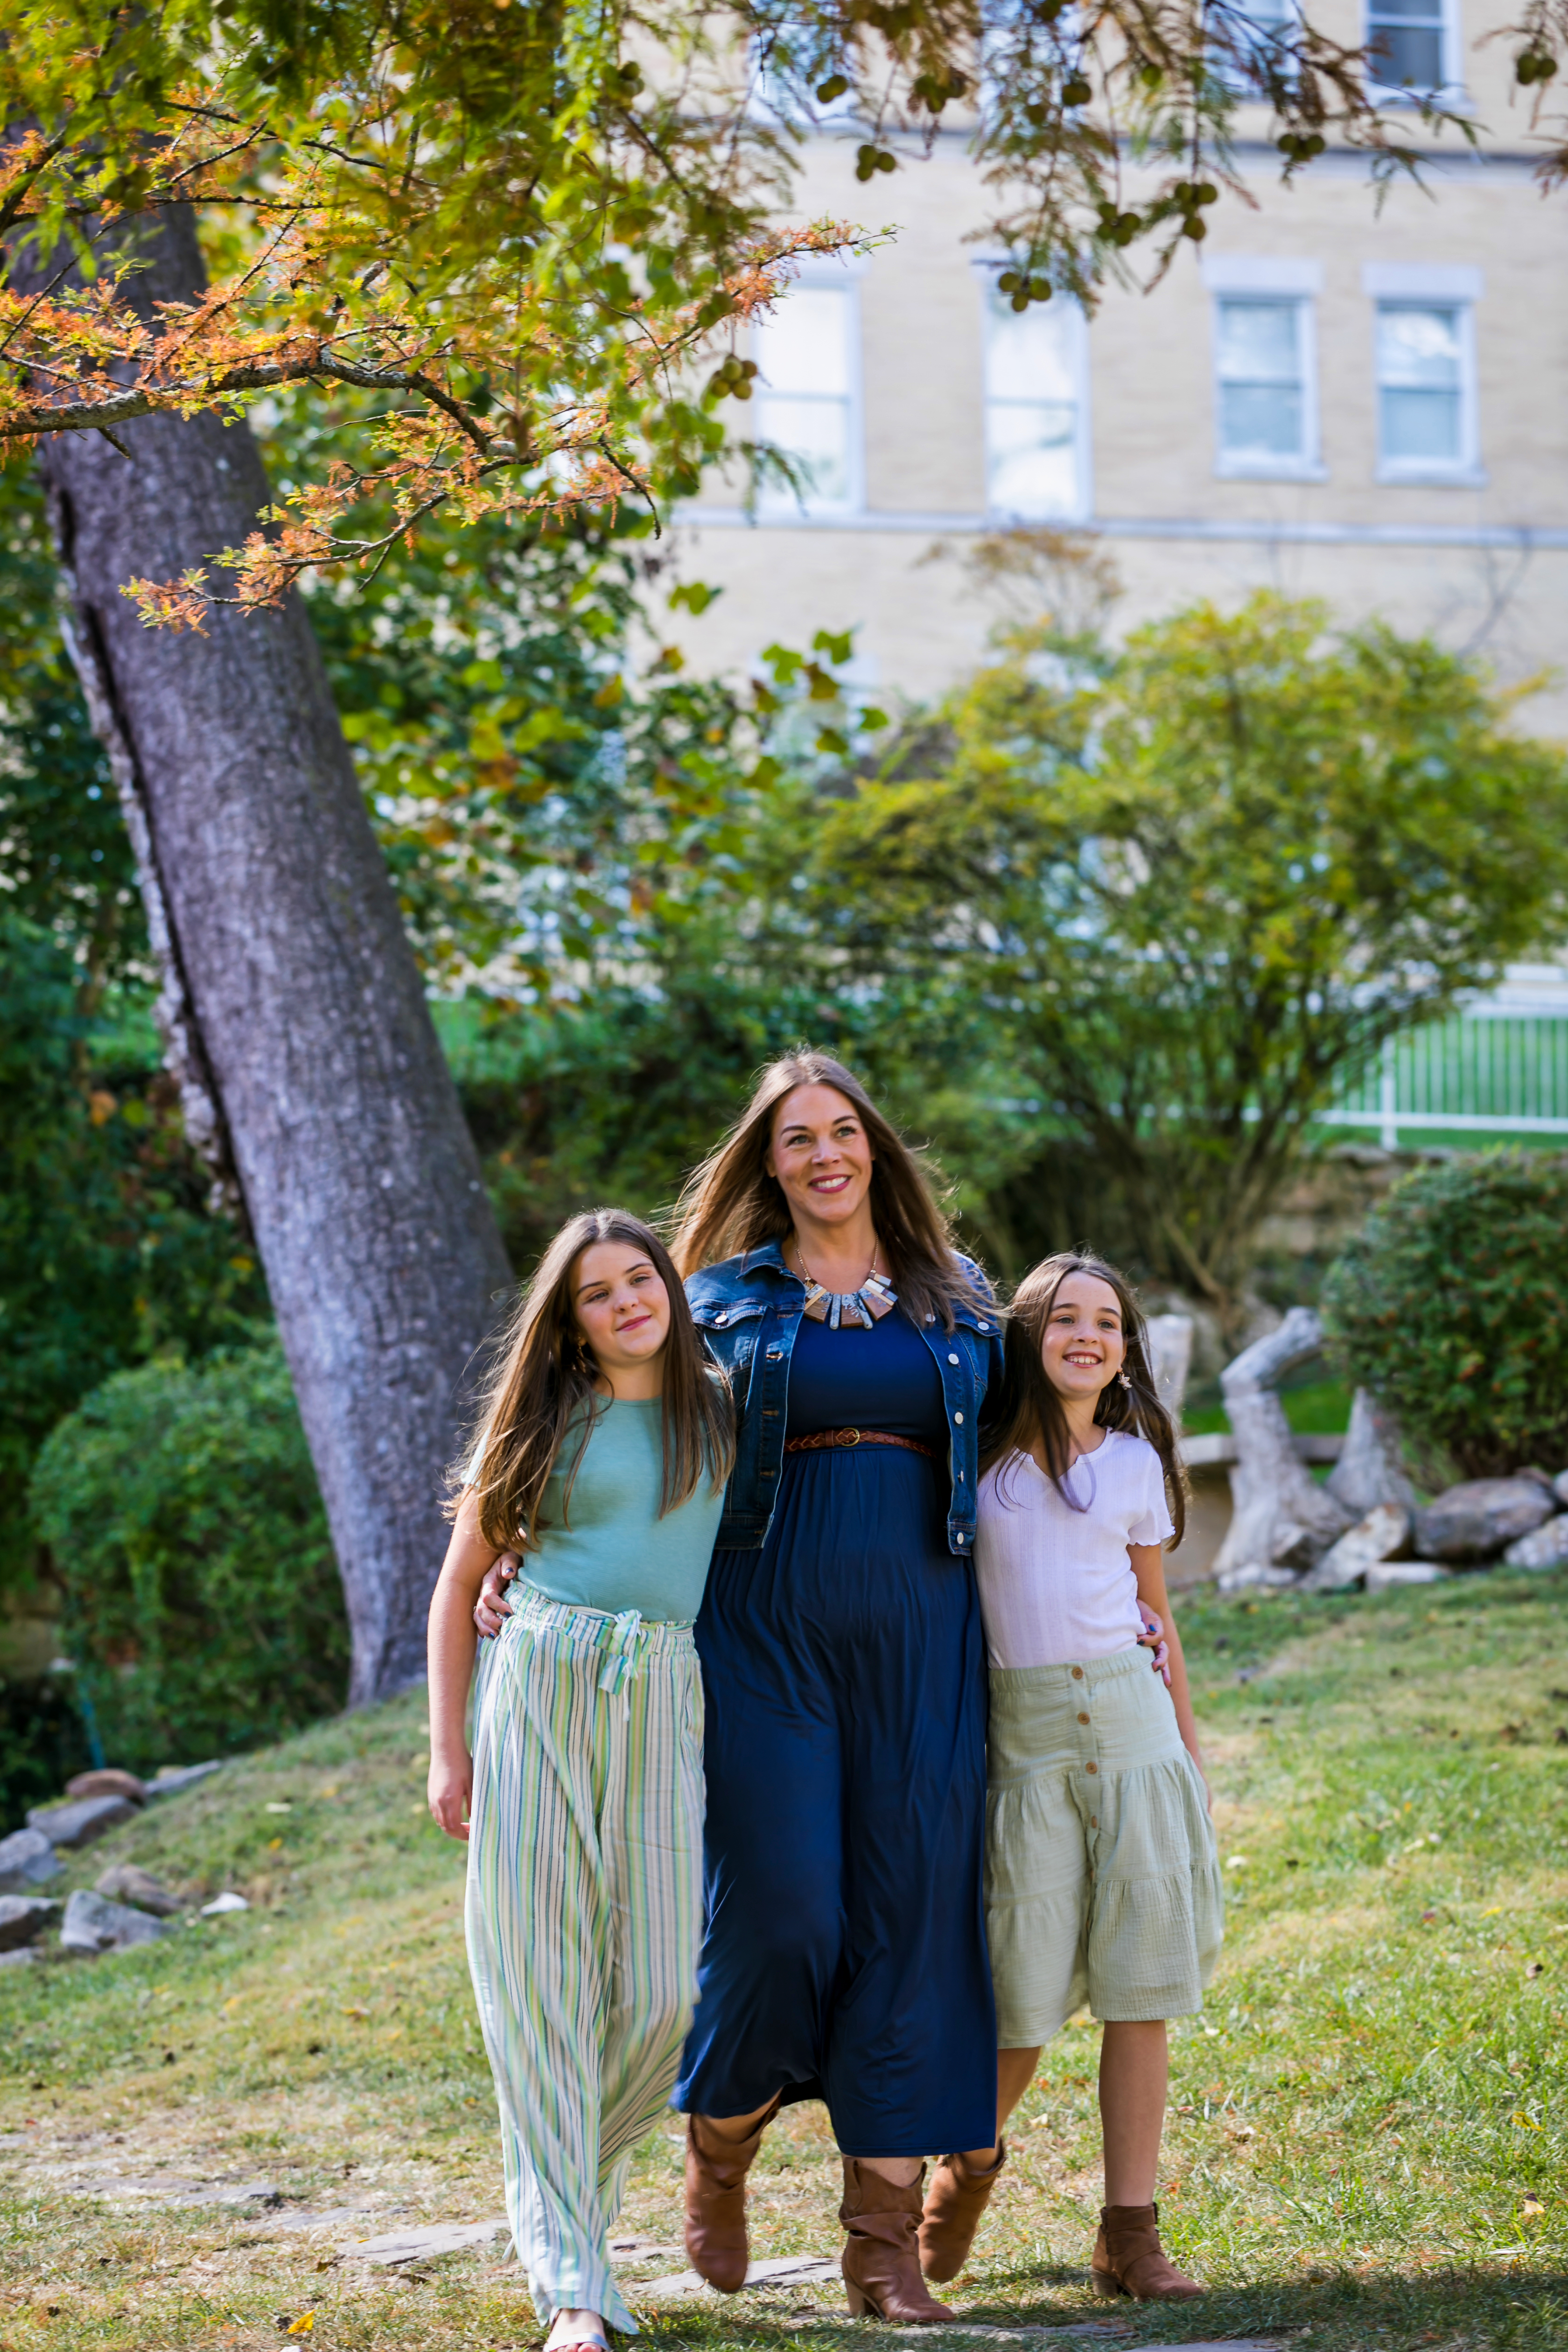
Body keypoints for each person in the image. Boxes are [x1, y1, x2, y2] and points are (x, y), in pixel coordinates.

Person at [426, 1208, 734, 2352]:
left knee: (663, 1997)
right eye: (597, 1293)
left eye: (639, 1279)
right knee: (540, 1986)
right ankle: (571, 2289)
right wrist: (445, 1748)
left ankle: (555, 2199)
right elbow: (460, 1588)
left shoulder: (723, 1405)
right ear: (571, 1320)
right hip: (540, 1683)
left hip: (662, 1691)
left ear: (668, 1285)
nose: (625, 1304)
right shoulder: (547, 1419)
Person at [919, 1250, 1223, 2303]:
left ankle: (1129, 2236)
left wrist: (1186, 1751)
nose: (1087, 1335)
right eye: (1063, 1319)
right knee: (1024, 1994)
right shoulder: (980, 1461)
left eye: (1107, 1322)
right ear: (1028, 1336)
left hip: (1134, 1733)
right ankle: (969, 2163)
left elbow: (1159, 1616)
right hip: (1027, 1742)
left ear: (1127, 1350)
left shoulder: (1136, 1466)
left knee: (1143, 1987)